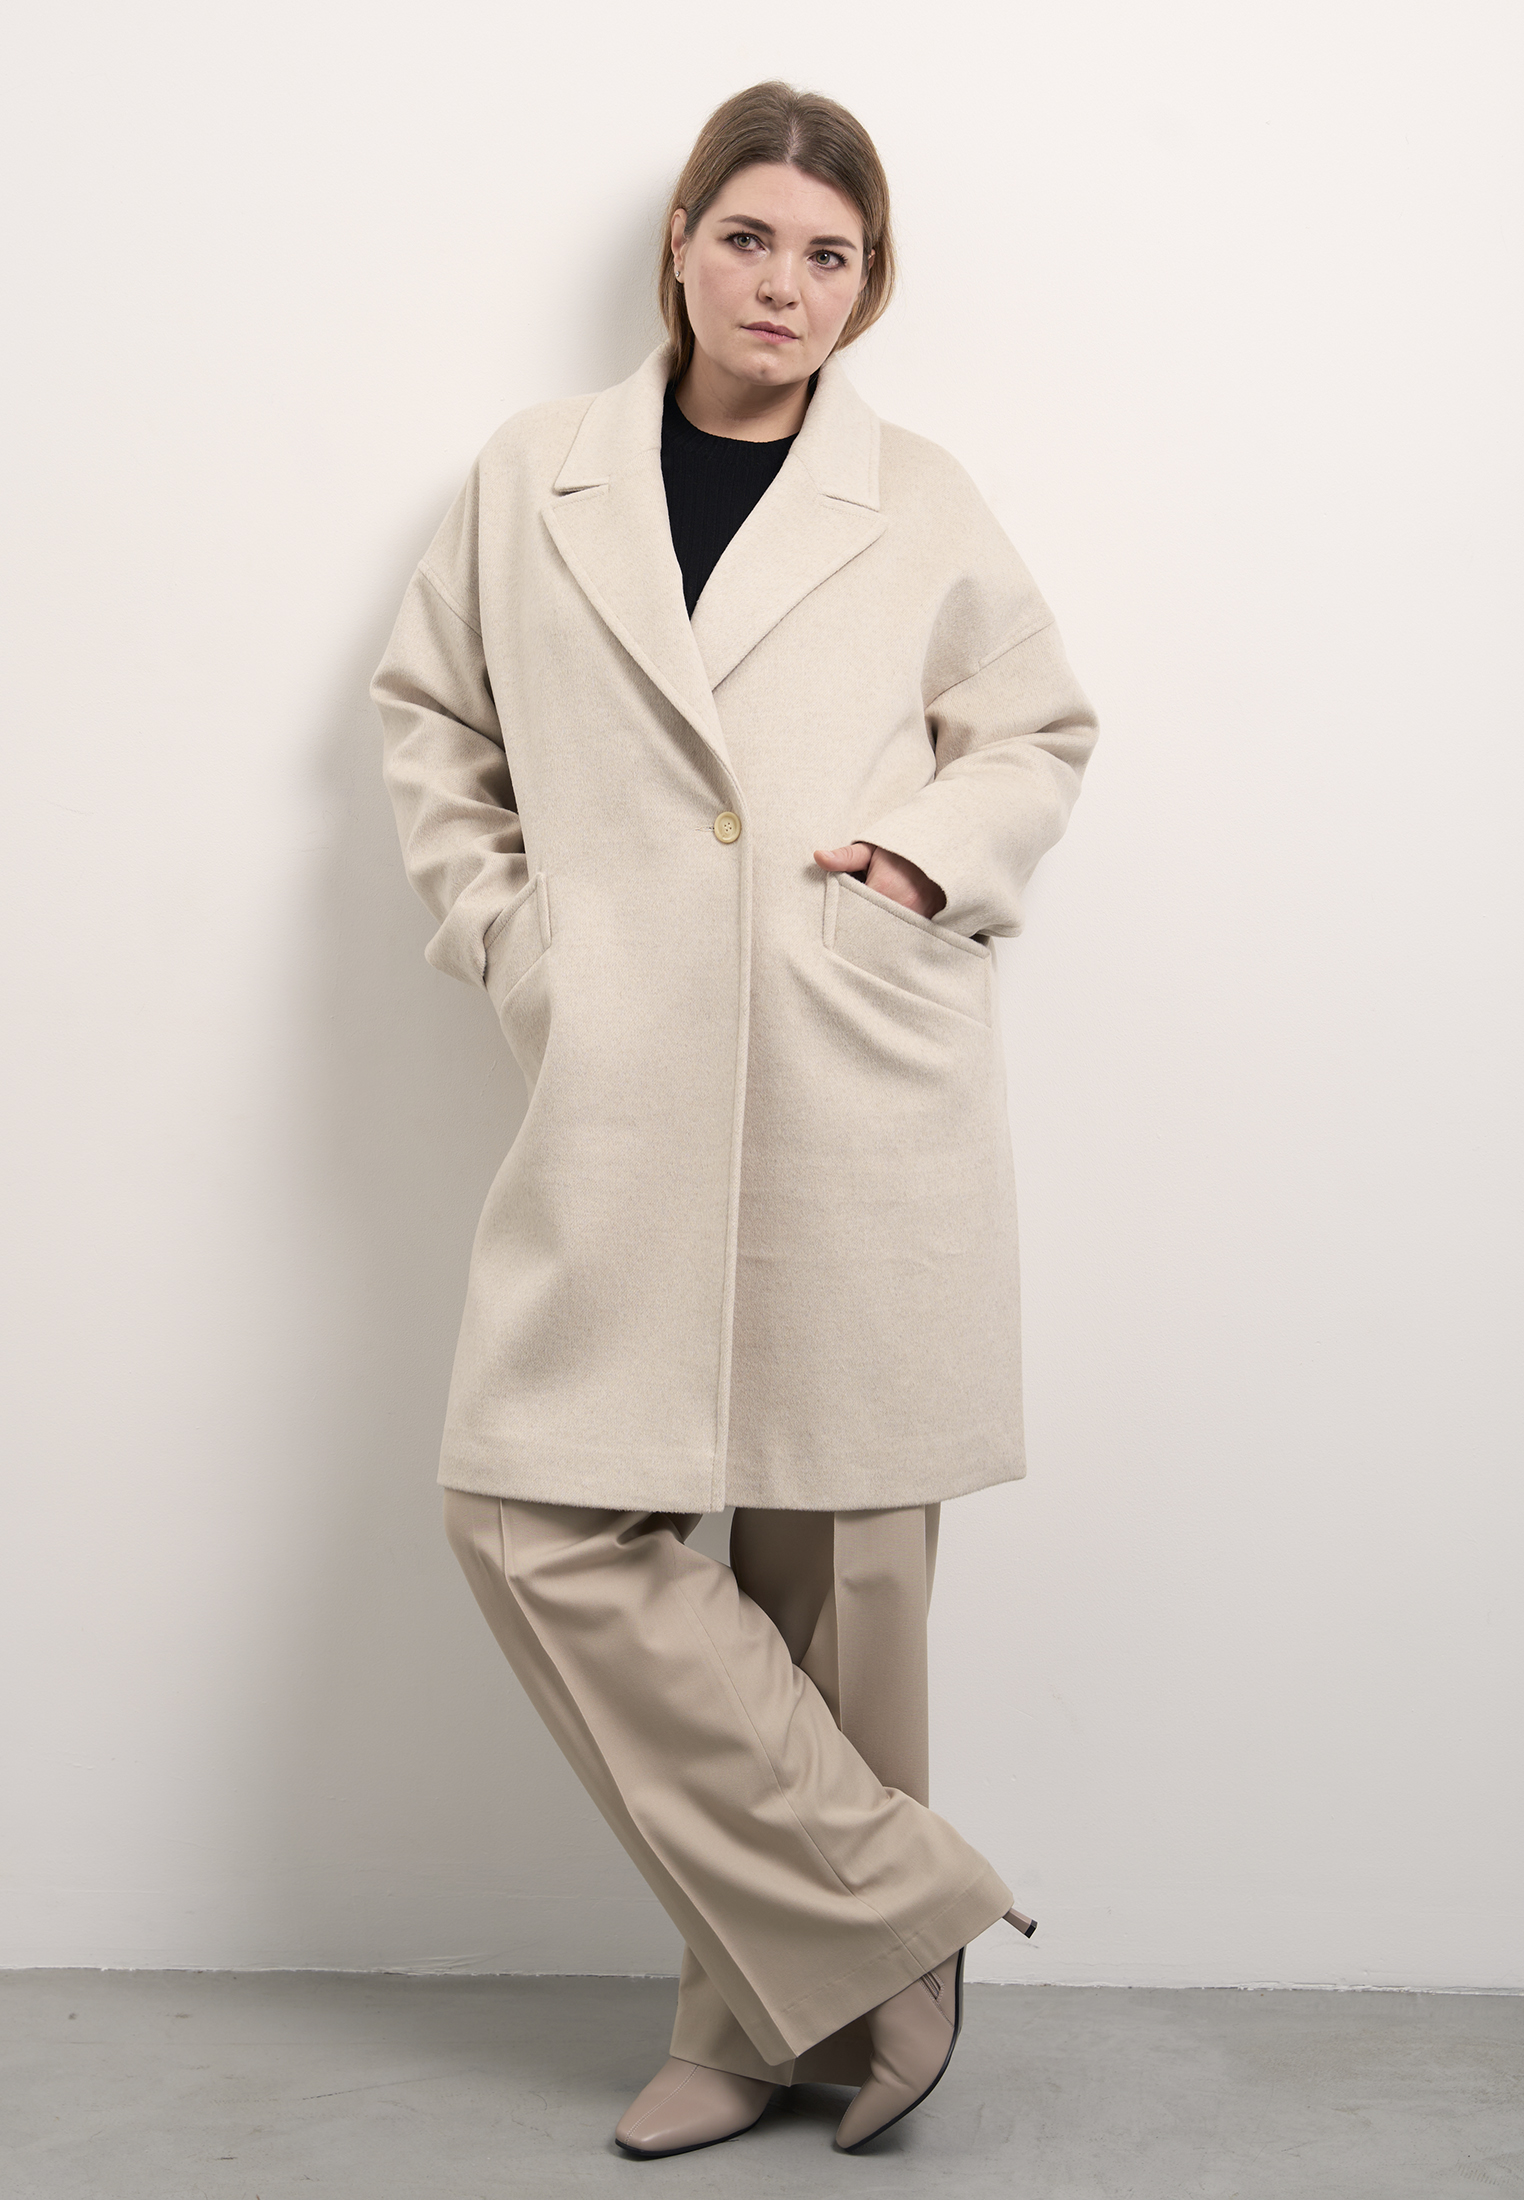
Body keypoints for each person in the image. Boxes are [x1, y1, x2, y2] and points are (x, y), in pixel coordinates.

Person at [371, 79, 1098, 2159]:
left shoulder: (920, 500)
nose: (786, 284)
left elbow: (1036, 731)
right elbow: (433, 724)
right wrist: (517, 938)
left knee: (839, 1571)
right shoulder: (534, 479)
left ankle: (764, 2021)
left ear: (870, 287)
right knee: (531, 1518)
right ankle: (899, 1925)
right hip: (621, 1079)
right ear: (682, 243)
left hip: (854, 1077)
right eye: (753, 237)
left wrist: (920, 865)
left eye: (830, 255)